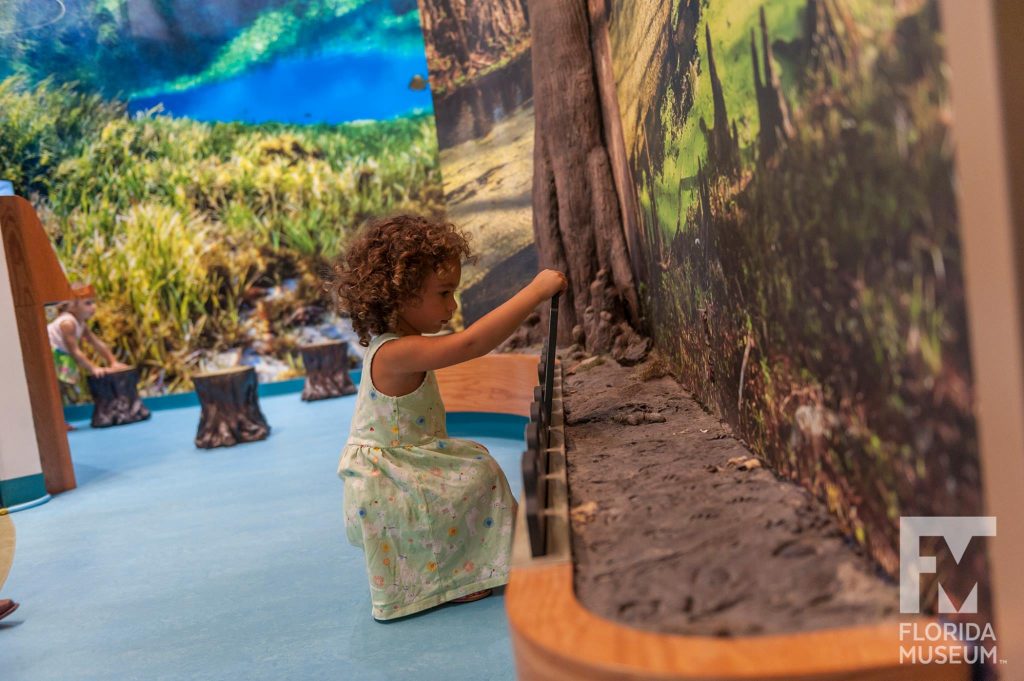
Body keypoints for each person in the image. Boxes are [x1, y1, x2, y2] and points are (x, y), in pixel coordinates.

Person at [329, 214, 566, 621]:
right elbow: (471, 343)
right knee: (475, 474)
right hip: (391, 476)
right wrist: (536, 292)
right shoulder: (396, 352)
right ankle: (452, 579)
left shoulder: (403, 344)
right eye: (443, 294)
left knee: (477, 467)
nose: (452, 306)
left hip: (409, 458)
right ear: (400, 293)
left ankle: (466, 568)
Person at [47, 283, 129, 410]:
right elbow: (74, 351)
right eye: (87, 303)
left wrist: (113, 361)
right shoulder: (68, 323)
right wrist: (93, 368)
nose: (93, 307)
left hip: (61, 355)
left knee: (61, 388)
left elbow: (96, 342)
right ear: (73, 305)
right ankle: (57, 419)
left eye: (93, 302)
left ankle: (59, 418)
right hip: (50, 355)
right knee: (55, 388)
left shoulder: (81, 323)